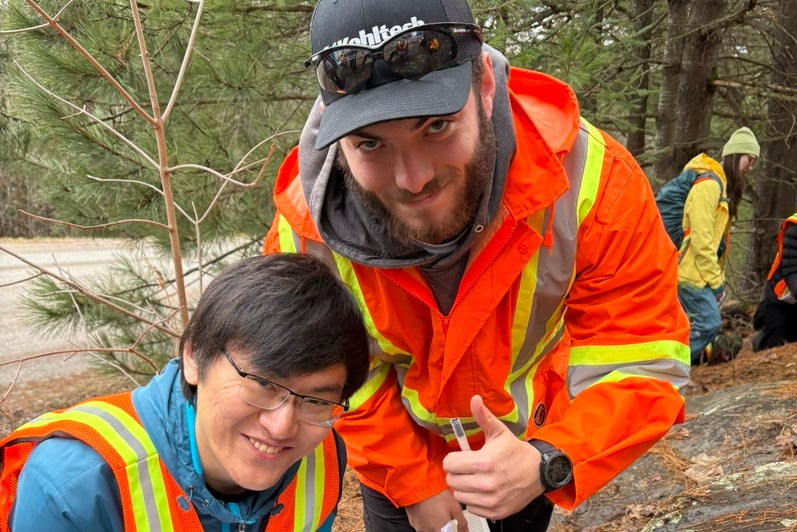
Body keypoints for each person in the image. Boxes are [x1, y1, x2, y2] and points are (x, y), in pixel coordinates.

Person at [263, 0, 691, 530]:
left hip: (526, 454)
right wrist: (415, 481)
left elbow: (638, 360)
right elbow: (334, 376)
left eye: (436, 125)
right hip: (395, 467)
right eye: (370, 143)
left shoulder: (591, 182)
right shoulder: (306, 230)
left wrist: (550, 460)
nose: (412, 179)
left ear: (485, 85)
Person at [0, 253, 370, 532]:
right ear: (193, 356)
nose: (282, 427)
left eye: (315, 400)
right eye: (262, 384)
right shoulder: (77, 484)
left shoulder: (322, 457)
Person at [670, 127, 760, 365]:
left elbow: (717, 243)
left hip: (698, 273)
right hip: (689, 272)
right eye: (749, 159)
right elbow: (701, 240)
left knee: (682, 326)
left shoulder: (721, 187)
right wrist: (717, 283)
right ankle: (668, 369)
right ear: (735, 155)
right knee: (708, 323)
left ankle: (668, 369)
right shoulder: (709, 186)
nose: (751, 166)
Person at [752, 213, 797, 351]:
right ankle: (760, 337)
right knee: (771, 345)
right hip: (781, 297)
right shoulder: (794, 228)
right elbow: (791, 272)